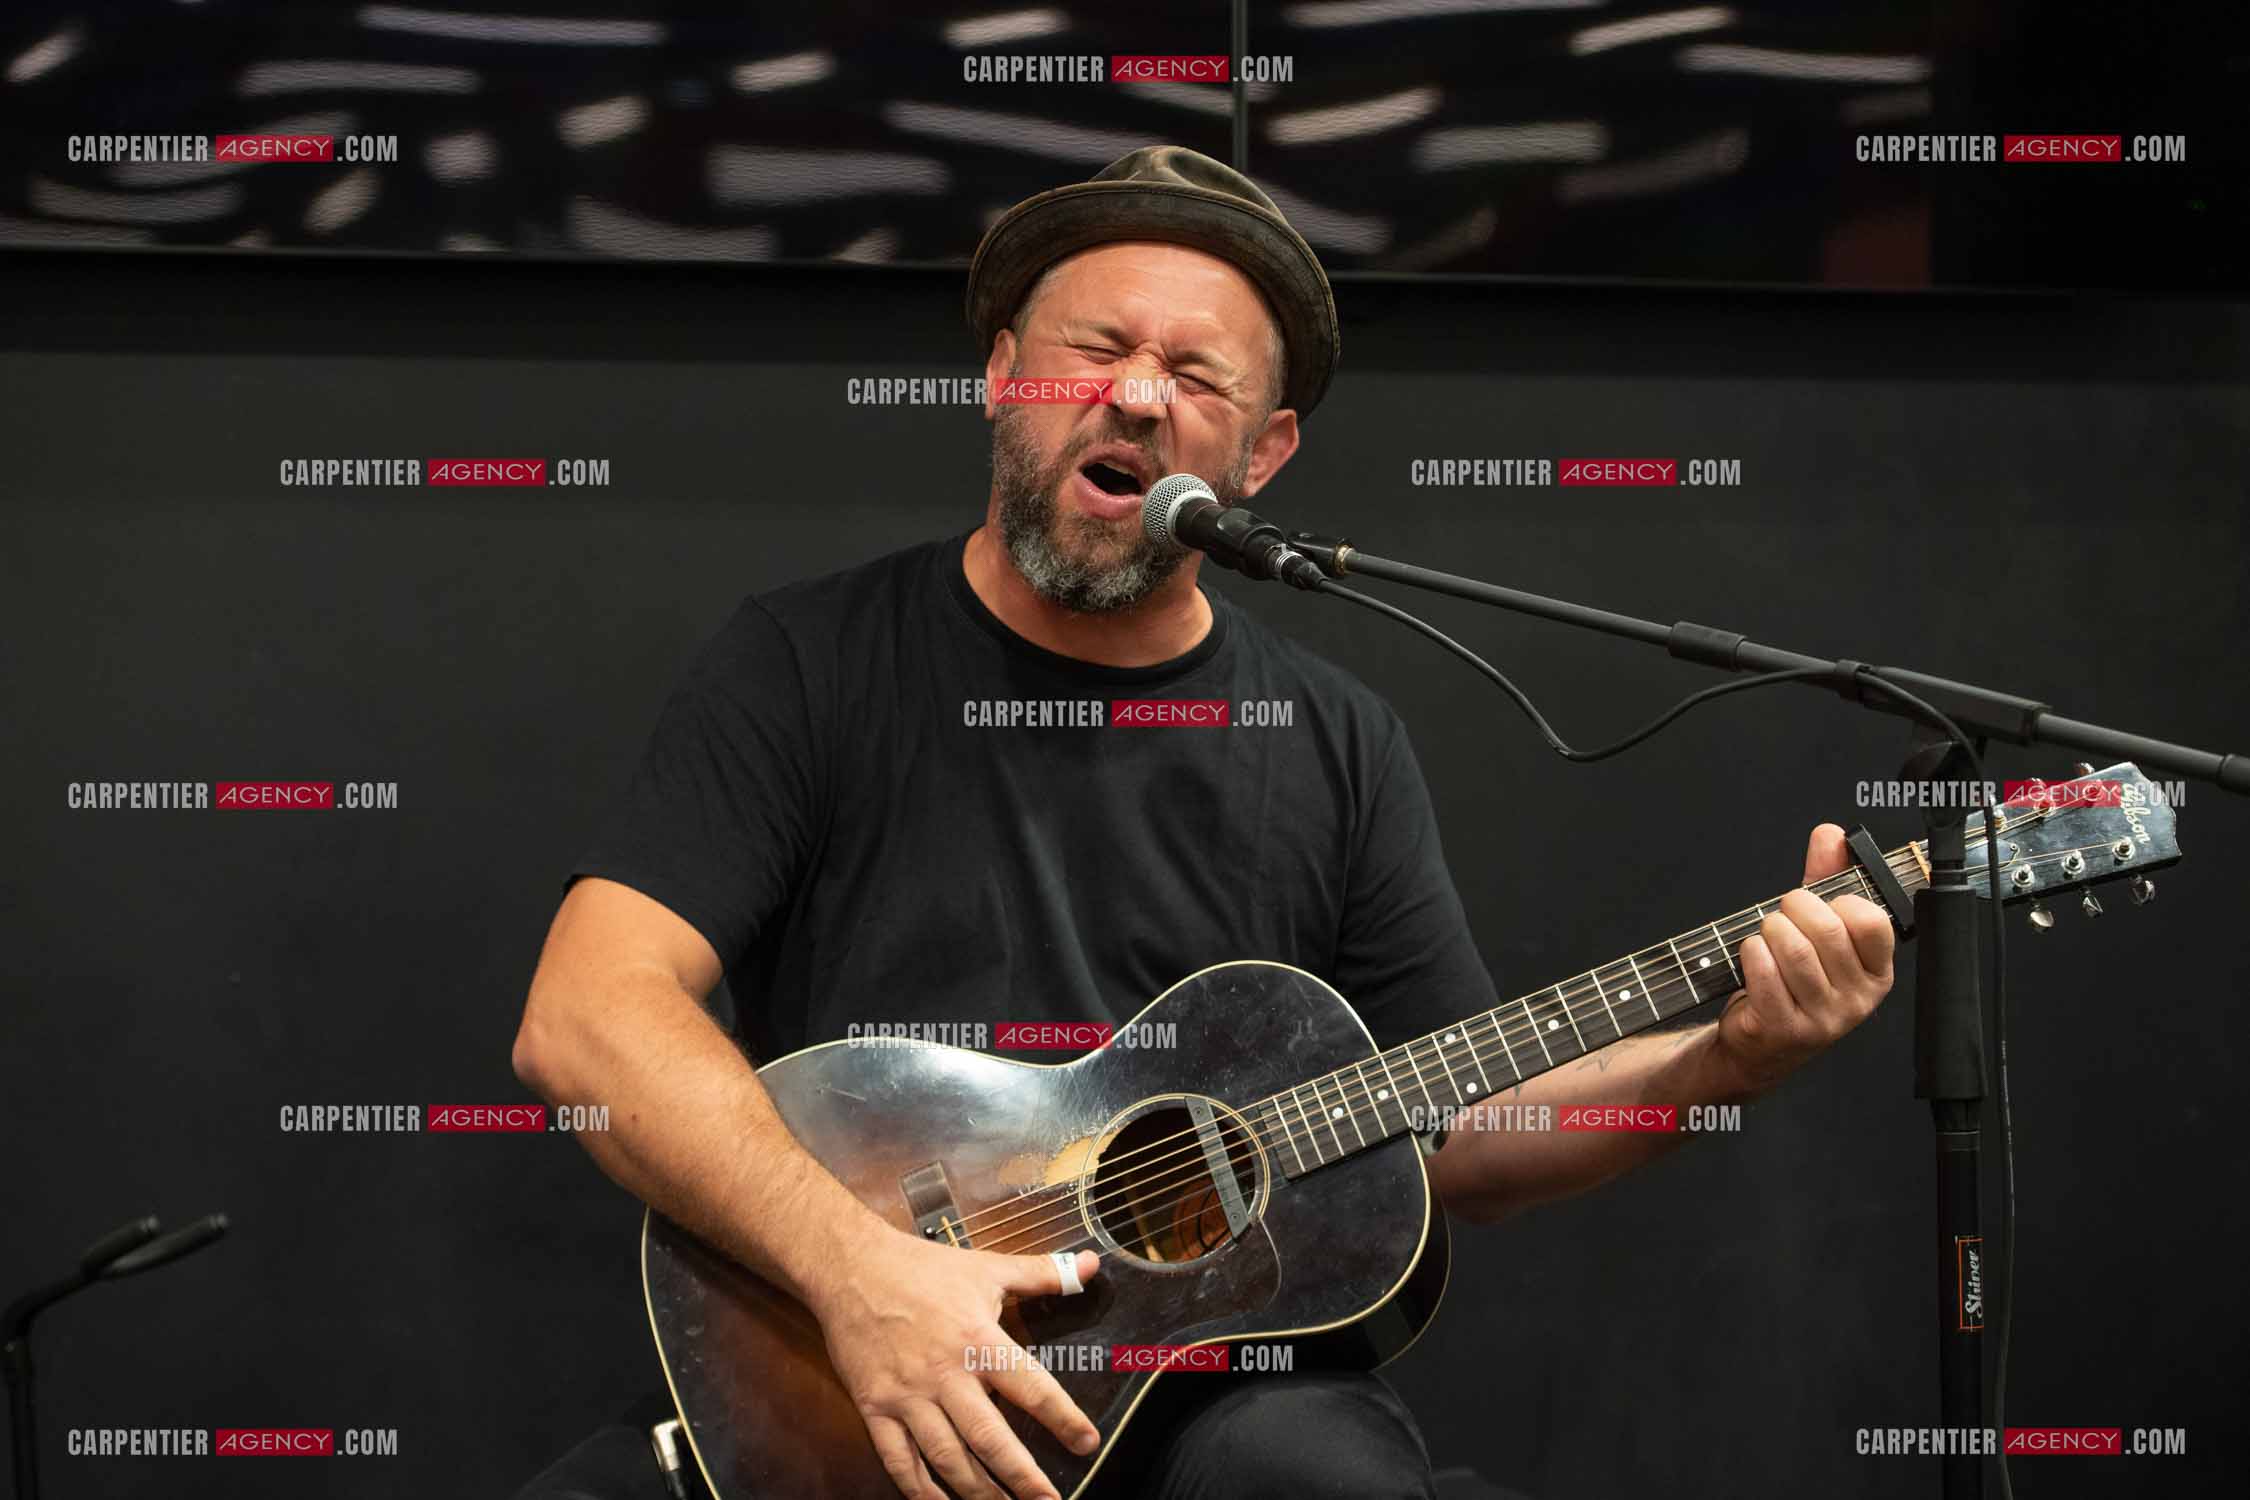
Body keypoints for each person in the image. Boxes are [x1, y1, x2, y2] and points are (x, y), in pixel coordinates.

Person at [509, 145, 1895, 1500]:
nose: (1132, 396)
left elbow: (1465, 1133)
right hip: (838, 1347)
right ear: (1001, 376)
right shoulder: (806, 664)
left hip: (1219, 1381)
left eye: (1193, 376)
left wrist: (1723, 1060)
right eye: (1094, 348)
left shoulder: (1334, 737)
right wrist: (862, 1274)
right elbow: (585, 1018)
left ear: (1262, 451)